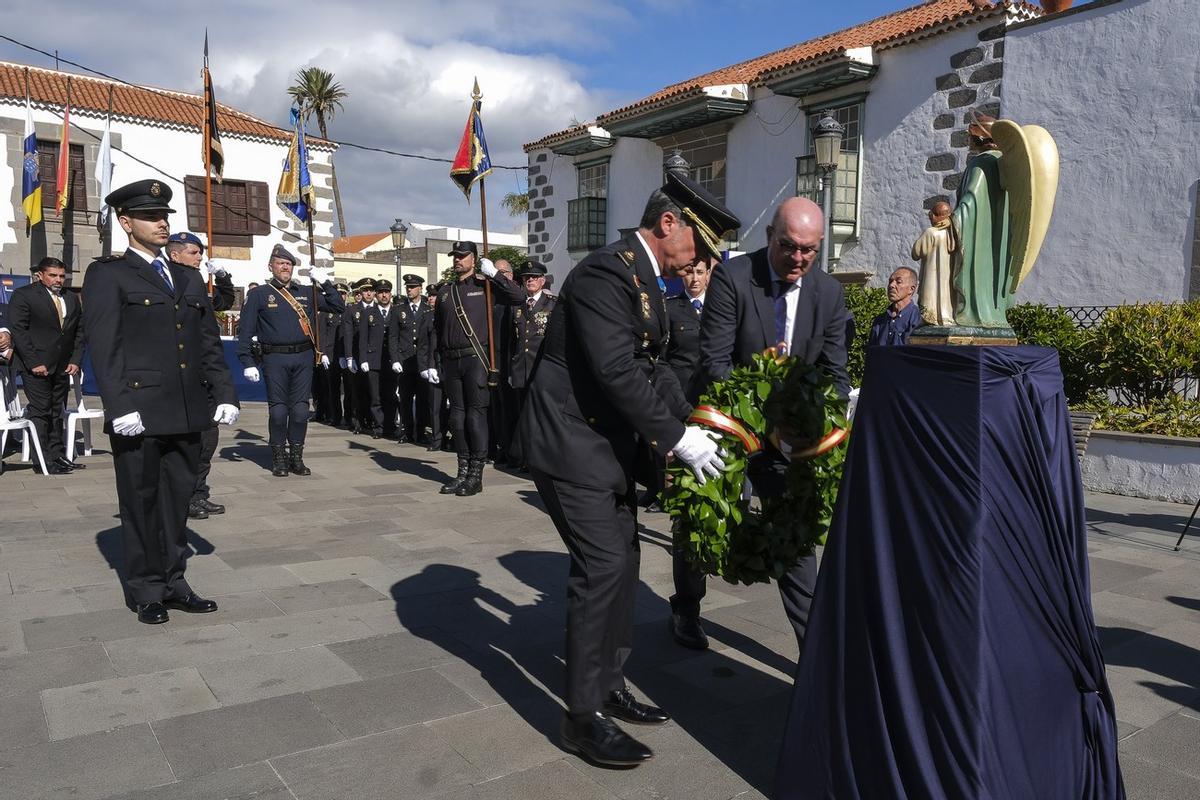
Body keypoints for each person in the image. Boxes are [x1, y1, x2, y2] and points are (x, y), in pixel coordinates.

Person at [518, 172, 738, 766]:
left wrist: (695, 423)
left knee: (624, 562)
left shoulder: (646, 282)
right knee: (603, 567)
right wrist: (674, 440)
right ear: (670, 224)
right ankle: (582, 718)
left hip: (606, 447)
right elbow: (616, 371)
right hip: (569, 443)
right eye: (699, 247)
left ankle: (609, 686)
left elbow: (655, 368)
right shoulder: (604, 273)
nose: (700, 262)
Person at [82, 179, 239, 624]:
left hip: (187, 409)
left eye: (164, 215)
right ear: (126, 222)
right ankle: (146, 588)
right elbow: (105, 346)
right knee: (142, 499)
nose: (161, 222)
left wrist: (224, 393)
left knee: (177, 499)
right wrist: (118, 405)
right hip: (140, 409)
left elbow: (207, 342)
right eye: (150, 216)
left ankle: (175, 579)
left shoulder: (188, 276)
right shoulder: (108, 274)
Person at [700, 196, 851, 652]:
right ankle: (686, 608)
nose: (799, 258)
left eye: (809, 249)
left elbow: (835, 374)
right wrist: (763, 418)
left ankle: (816, 657)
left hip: (790, 444)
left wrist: (813, 424)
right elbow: (714, 362)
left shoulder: (829, 293)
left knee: (797, 543)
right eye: (789, 246)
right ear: (770, 237)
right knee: (702, 527)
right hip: (730, 428)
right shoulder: (733, 277)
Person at [236, 245, 343, 477]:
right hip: (275, 358)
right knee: (278, 412)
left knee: (300, 411)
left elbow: (338, 306)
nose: (285, 267)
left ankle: (296, 457)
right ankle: (278, 457)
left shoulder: (307, 292)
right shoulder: (259, 294)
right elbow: (244, 331)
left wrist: (325, 283)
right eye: (280, 263)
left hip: (303, 357)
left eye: (289, 264)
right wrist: (247, 362)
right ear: (271, 266)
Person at [433, 241, 524, 497]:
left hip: (475, 358)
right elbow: (439, 330)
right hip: (452, 360)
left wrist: (494, 275)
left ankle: (476, 475)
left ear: (474, 259)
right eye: (455, 256)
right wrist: (437, 361)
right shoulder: (445, 292)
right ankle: (461, 471)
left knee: (475, 417)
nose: (457, 260)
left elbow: (518, 297)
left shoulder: (485, 285)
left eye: (463, 256)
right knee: (457, 418)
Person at [663, 255, 713, 649]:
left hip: (726, 422)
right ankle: (687, 610)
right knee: (689, 520)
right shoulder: (669, 310)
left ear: (712, 271)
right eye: (689, 272)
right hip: (684, 424)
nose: (694, 278)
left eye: (700, 271)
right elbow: (659, 367)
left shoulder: (727, 308)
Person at [165, 232, 231, 519]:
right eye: (193, 252)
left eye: (200, 252)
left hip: (204, 375)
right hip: (185, 375)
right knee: (191, 443)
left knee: (208, 440)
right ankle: (185, 497)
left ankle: (199, 493)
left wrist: (225, 277)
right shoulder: (172, 280)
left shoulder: (194, 280)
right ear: (174, 254)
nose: (199, 257)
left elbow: (220, 303)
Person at [8, 257, 84, 474]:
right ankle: (41, 459)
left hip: (62, 365)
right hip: (36, 366)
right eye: (53, 275)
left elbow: (79, 331)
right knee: (41, 411)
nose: (58, 280)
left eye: (62, 275)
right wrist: (34, 362)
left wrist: (75, 359)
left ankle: (58, 454)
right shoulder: (25, 295)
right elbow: (20, 332)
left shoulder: (70, 298)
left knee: (56, 410)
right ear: (40, 275)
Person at [505, 260, 555, 468]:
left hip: (541, 369)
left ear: (542, 280)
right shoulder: (517, 306)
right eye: (526, 278)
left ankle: (540, 458)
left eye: (534, 277)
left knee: (540, 417)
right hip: (520, 369)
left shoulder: (553, 304)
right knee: (522, 416)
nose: (530, 280)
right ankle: (524, 457)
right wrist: (510, 368)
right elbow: (511, 341)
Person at [488, 259, 518, 465]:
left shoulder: (515, 296)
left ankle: (513, 451)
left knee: (511, 409)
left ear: (510, 275)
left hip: (511, 362)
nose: (498, 276)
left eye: (502, 272)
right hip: (492, 361)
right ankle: (499, 447)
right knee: (495, 409)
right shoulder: (491, 297)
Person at [342, 278, 380, 436]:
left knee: (374, 392)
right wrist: (349, 357)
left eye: (371, 290)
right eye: (365, 291)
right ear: (361, 293)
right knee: (357, 391)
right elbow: (348, 335)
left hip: (375, 357)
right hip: (358, 356)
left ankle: (373, 421)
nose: (369, 293)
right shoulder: (352, 310)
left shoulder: (379, 309)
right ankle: (358, 421)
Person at [394, 273, 428, 443]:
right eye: (407, 287)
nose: (409, 290)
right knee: (405, 399)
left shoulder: (428, 309)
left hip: (421, 361)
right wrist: (395, 359)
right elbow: (393, 337)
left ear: (420, 288)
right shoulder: (399, 310)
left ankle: (420, 432)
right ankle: (407, 431)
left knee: (422, 399)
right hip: (405, 360)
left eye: (412, 287)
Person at [912, 201, 957, 326]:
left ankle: (932, 318)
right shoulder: (953, 234)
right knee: (947, 297)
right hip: (949, 277)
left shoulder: (931, 232)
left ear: (934, 216)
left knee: (930, 299)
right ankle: (946, 317)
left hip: (932, 275)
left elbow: (915, 253)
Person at [417, 284, 449, 451]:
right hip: (433, 367)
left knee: (455, 406)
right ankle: (437, 439)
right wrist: (425, 367)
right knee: (435, 406)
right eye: (429, 295)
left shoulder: (449, 314)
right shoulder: (427, 316)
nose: (431, 298)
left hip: (450, 366)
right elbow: (422, 345)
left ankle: (452, 437)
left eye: (434, 295)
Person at [370, 279, 402, 438]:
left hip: (391, 359)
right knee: (376, 396)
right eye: (381, 292)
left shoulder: (397, 312)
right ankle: (379, 427)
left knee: (391, 394)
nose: (384, 295)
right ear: (376, 295)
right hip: (374, 359)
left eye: (387, 292)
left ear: (391, 294)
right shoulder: (369, 313)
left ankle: (390, 425)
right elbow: (363, 338)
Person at [314, 282, 350, 426]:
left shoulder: (350, 310)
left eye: (343, 293)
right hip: (331, 354)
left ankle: (349, 417)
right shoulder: (327, 312)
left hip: (346, 355)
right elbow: (321, 333)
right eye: (339, 293)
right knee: (332, 388)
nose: (341, 296)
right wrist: (322, 353)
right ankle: (334, 416)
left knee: (349, 389)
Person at [868, 267, 922, 346]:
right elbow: (872, 353)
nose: (891, 285)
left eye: (898, 282)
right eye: (890, 281)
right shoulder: (880, 320)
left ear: (911, 289)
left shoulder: (918, 319)